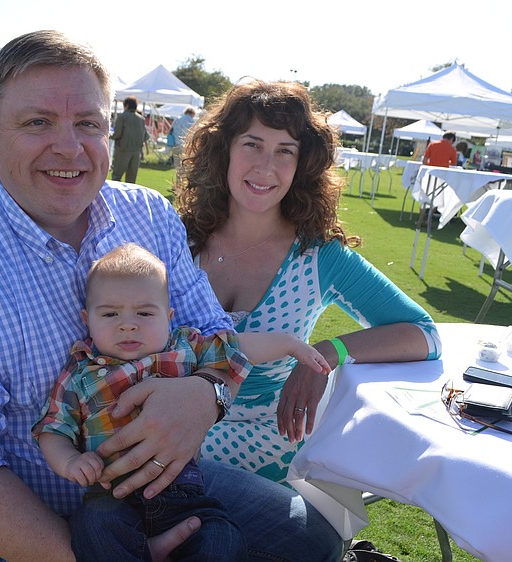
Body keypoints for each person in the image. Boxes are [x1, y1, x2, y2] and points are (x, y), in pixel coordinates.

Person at [0, 30, 343, 562]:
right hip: (50, 520)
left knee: (312, 540)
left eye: (87, 124)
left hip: (166, 484)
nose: (69, 147)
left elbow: (214, 334)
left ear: (109, 131)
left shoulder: (148, 214)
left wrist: (206, 398)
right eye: (38, 122)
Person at [175, 79, 442, 486]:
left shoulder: (319, 257)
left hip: (261, 451)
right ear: (224, 148)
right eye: (252, 144)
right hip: (170, 430)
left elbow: (424, 335)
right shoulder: (176, 239)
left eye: (285, 151)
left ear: (303, 165)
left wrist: (327, 352)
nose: (266, 167)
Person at [34, 242, 329, 561]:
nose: (128, 324)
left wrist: (288, 344)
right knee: (92, 528)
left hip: (183, 496)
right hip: (111, 497)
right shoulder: (80, 371)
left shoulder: (183, 348)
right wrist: (70, 462)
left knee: (221, 536)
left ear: (168, 316)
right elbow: (53, 429)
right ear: (86, 319)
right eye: (110, 313)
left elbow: (236, 347)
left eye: (144, 312)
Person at [110, 95, 148, 183]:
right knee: (131, 180)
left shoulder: (122, 117)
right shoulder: (141, 119)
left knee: (116, 176)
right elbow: (145, 136)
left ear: (126, 105)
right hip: (136, 152)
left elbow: (117, 134)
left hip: (123, 150)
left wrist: (110, 135)